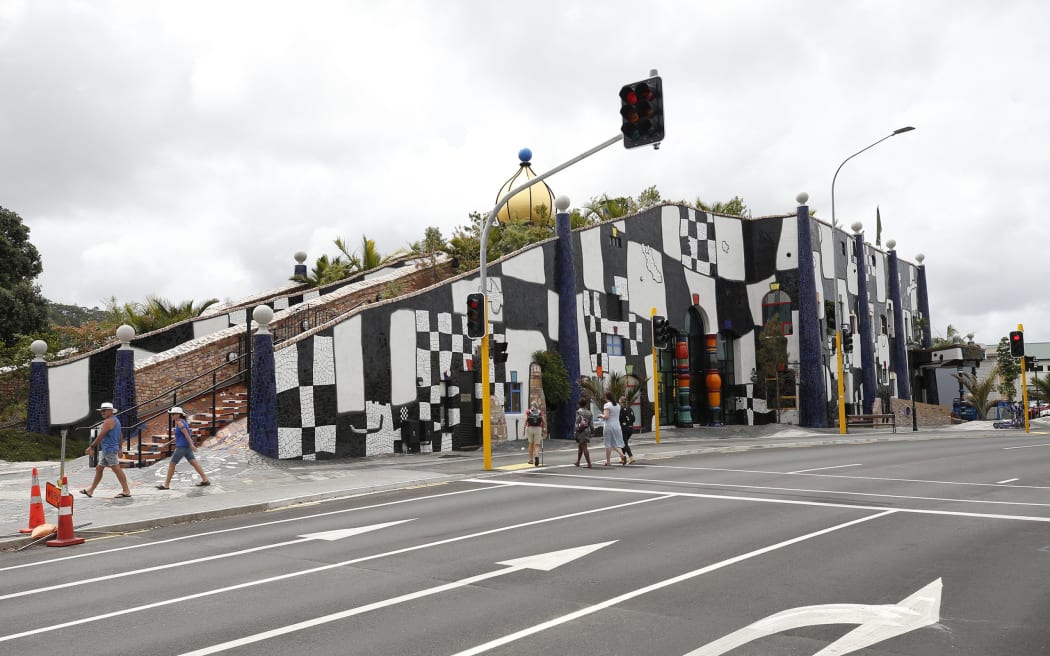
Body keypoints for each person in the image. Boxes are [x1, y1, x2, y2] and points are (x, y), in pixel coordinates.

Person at [80, 402, 132, 498]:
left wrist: (91, 446)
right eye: (101, 411)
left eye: (104, 410)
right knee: (99, 468)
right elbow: (120, 435)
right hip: (108, 450)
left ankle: (126, 490)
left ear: (111, 411)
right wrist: (120, 448)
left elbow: (101, 435)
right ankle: (91, 490)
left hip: (109, 449)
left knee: (116, 469)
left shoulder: (108, 422)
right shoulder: (116, 420)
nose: (102, 412)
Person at [156, 407, 211, 489]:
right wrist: (169, 443)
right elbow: (180, 435)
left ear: (178, 414)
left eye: (173, 414)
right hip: (186, 446)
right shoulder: (183, 422)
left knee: (172, 464)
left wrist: (192, 445)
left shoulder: (180, 423)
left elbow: (186, 435)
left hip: (182, 447)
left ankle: (166, 485)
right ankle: (205, 480)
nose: (172, 416)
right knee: (194, 462)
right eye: (171, 414)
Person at [602, 392, 628, 466]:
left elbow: (606, 416)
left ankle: (608, 461)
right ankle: (622, 455)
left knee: (608, 444)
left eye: (605, 397)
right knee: (614, 443)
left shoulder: (607, 405)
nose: (604, 398)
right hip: (617, 426)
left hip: (609, 426)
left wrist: (601, 415)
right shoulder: (617, 405)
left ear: (607, 397)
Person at [573, 397, 593, 468]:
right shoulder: (589, 412)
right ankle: (578, 461)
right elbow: (591, 424)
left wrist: (575, 432)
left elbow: (577, 422)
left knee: (584, 446)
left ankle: (589, 463)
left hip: (581, 431)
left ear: (579, 404)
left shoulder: (578, 412)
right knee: (580, 446)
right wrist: (592, 431)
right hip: (587, 430)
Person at [523, 401, 545, 466]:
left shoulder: (528, 412)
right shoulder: (540, 412)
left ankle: (531, 460)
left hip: (530, 428)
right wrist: (544, 428)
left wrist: (524, 428)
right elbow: (543, 421)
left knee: (530, 444)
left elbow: (526, 420)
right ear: (537, 406)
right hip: (538, 429)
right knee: (537, 445)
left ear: (531, 405)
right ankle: (537, 457)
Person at [619, 396, 636, 464]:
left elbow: (619, 419)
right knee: (624, 443)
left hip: (624, 429)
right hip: (630, 428)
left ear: (620, 402)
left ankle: (631, 457)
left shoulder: (620, 410)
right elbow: (633, 419)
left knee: (624, 443)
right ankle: (622, 458)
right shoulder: (630, 409)